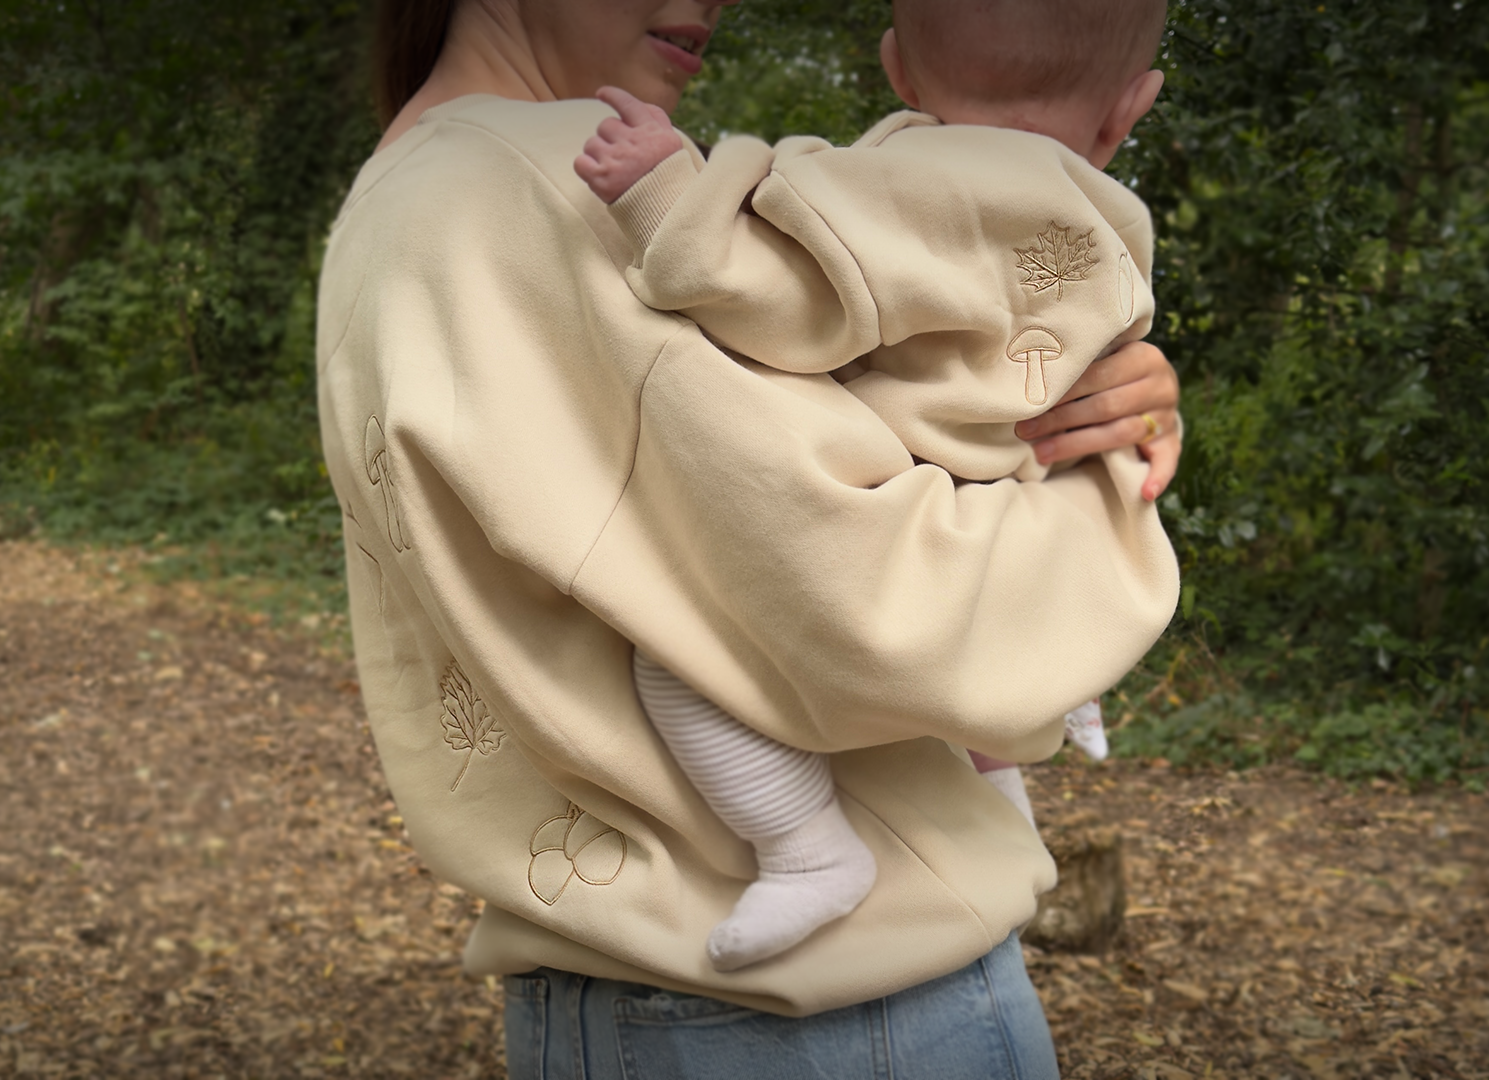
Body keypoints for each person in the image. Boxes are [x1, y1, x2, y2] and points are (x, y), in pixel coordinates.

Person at [324, 0, 1183, 1075]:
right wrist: (1105, 482)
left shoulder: (406, 190)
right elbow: (866, 605)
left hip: (637, 994)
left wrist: (1068, 387)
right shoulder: (555, 184)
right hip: (825, 1019)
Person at [574, 0, 1169, 972]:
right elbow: (1111, 381)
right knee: (969, 704)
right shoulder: (1114, 229)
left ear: (898, 69)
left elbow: (782, 306)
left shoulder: (886, 194)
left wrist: (665, 194)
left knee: (681, 651)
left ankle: (809, 850)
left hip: (894, 520)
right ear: (1128, 109)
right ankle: (1043, 736)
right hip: (1017, 527)